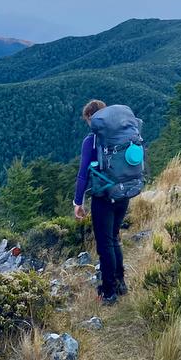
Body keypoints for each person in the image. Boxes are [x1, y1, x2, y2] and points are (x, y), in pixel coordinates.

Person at [74, 99, 130, 303]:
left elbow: (82, 175)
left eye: (88, 120)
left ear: (92, 118)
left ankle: (108, 291)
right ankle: (120, 283)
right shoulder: (124, 135)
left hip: (103, 196)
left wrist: (77, 202)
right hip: (124, 192)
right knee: (114, 238)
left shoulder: (92, 140)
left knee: (105, 244)